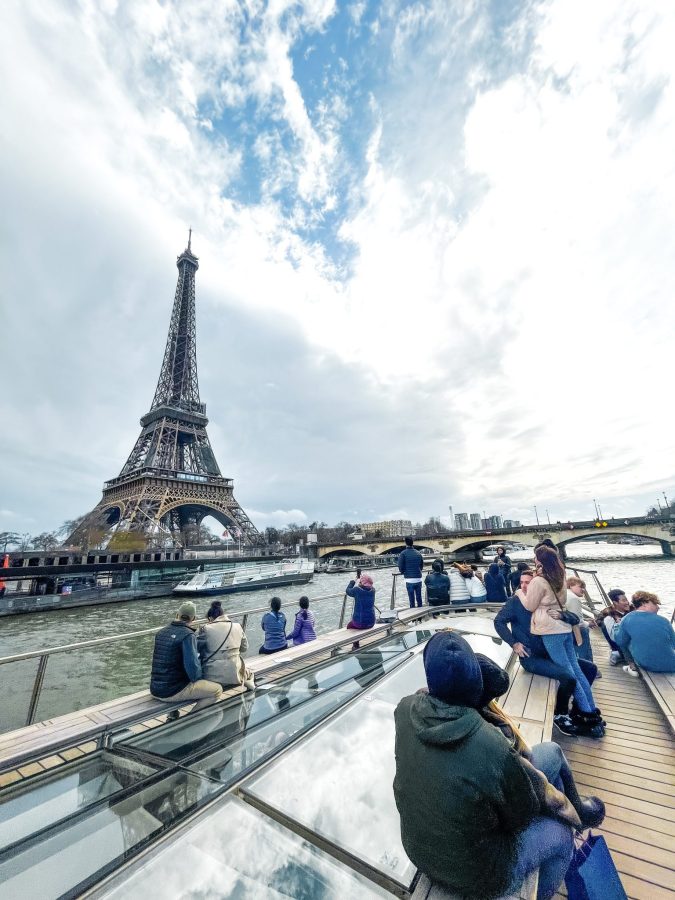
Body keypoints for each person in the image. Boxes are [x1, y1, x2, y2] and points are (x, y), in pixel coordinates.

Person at [393, 632, 574, 900]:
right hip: (482, 875)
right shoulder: (491, 742)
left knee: (550, 753)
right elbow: (522, 815)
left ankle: (573, 806)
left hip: (418, 851)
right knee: (560, 836)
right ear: (475, 683)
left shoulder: (405, 709)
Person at [474, 653, 605, 829]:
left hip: (497, 784)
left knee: (555, 777)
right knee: (554, 751)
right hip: (501, 796)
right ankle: (577, 813)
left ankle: (569, 814)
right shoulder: (489, 733)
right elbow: (519, 767)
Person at [495, 571, 598, 735]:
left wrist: (562, 615)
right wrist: (514, 643)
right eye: (522, 582)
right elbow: (498, 622)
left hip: (551, 652)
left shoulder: (545, 600)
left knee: (590, 669)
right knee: (568, 676)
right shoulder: (515, 602)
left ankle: (579, 709)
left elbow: (574, 618)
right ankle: (560, 714)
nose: (524, 586)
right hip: (531, 658)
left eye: (529, 582)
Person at [519, 546, 603, 736]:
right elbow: (562, 600)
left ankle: (587, 716)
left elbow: (530, 606)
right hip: (564, 627)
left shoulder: (538, 581)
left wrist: (520, 594)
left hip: (549, 631)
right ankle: (592, 710)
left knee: (569, 674)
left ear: (539, 561)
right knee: (577, 670)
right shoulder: (560, 576)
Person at [150, 600, 223, 715]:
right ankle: (189, 719)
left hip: (155, 688)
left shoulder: (161, 632)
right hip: (171, 692)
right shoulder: (188, 635)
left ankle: (173, 715)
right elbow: (194, 672)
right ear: (193, 619)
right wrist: (201, 677)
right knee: (217, 690)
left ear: (177, 615)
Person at [198, 600, 255, 691]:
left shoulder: (206, 629)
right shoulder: (237, 626)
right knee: (248, 672)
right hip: (234, 674)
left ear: (210, 618)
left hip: (211, 677)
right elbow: (244, 648)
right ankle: (247, 681)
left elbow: (198, 650)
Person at [614, 592, 675, 673]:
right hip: (671, 664)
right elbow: (673, 644)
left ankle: (632, 665)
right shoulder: (663, 620)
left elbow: (620, 641)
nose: (658, 607)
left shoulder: (626, 619)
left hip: (646, 664)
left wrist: (617, 626)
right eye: (655, 603)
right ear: (644, 604)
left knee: (624, 639)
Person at [596, 589, 631, 665]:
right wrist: (615, 622)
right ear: (615, 602)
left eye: (627, 600)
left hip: (631, 637)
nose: (627, 602)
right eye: (624, 600)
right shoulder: (608, 611)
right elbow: (598, 621)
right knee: (604, 624)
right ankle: (616, 650)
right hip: (618, 637)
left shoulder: (632, 608)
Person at [565, 577, 594, 663]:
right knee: (584, 631)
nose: (583, 589)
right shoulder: (574, 598)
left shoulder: (565, 594)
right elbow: (578, 622)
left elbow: (571, 615)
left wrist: (584, 620)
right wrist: (588, 623)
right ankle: (590, 668)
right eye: (580, 587)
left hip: (565, 628)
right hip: (574, 631)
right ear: (570, 586)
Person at [345, 573, 376, 649]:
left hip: (360, 623)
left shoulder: (357, 590)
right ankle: (356, 644)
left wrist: (354, 580)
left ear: (361, 582)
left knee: (349, 626)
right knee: (355, 624)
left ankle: (356, 645)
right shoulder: (373, 590)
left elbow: (348, 590)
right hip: (372, 622)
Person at [398, 536, 424, 608]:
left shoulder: (403, 553)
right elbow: (421, 566)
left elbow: (400, 566)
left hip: (409, 579)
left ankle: (413, 616)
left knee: (411, 599)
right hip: (418, 578)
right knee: (419, 598)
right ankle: (421, 615)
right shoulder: (418, 553)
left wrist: (403, 572)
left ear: (405, 543)